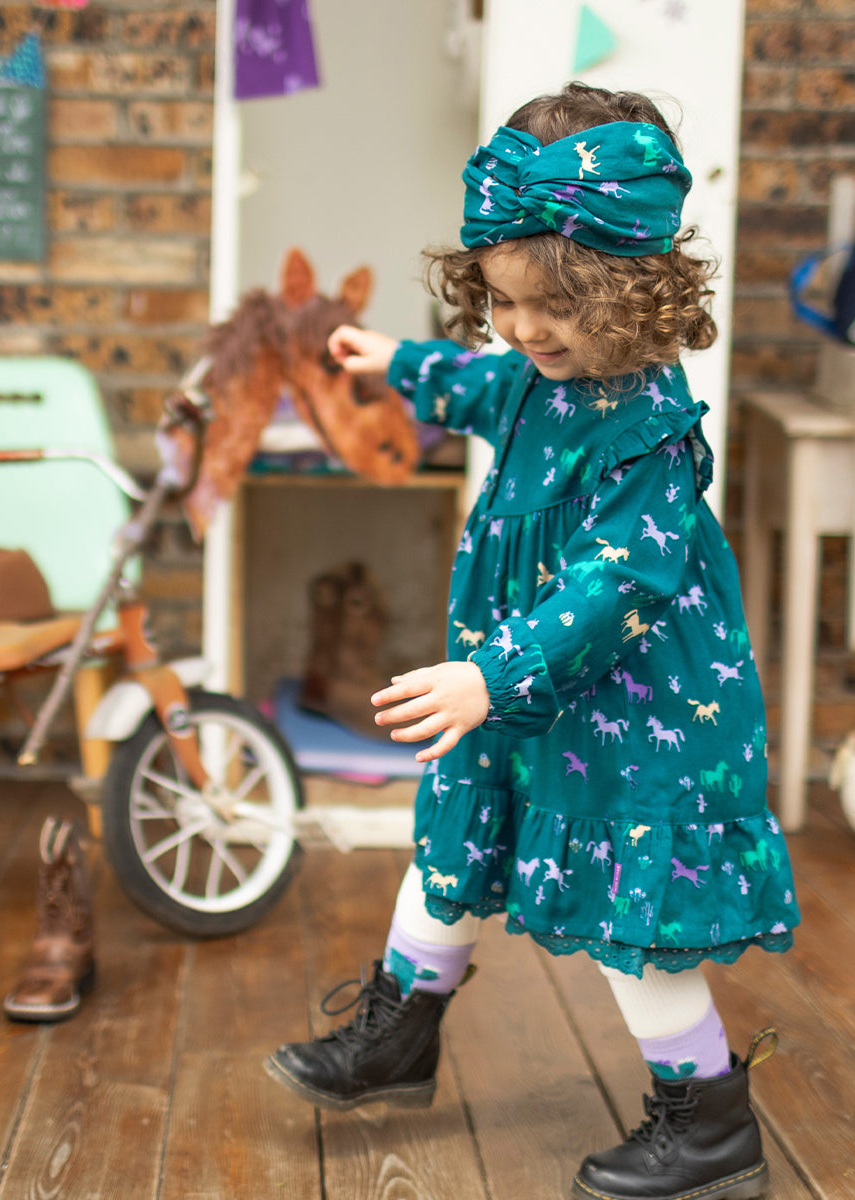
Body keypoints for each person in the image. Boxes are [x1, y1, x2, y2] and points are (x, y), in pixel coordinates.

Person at [265, 81, 800, 1200]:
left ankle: (710, 1125)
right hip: (525, 689)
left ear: (634, 293)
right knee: (449, 856)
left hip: (637, 710)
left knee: (630, 928)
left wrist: (488, 674)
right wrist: (394, 362)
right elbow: (479, 381)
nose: (523, 330)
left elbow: (614, 587)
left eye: (552, 310)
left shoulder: (648, 429)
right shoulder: (530, 378)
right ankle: (399, 1035)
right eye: (501, 301)